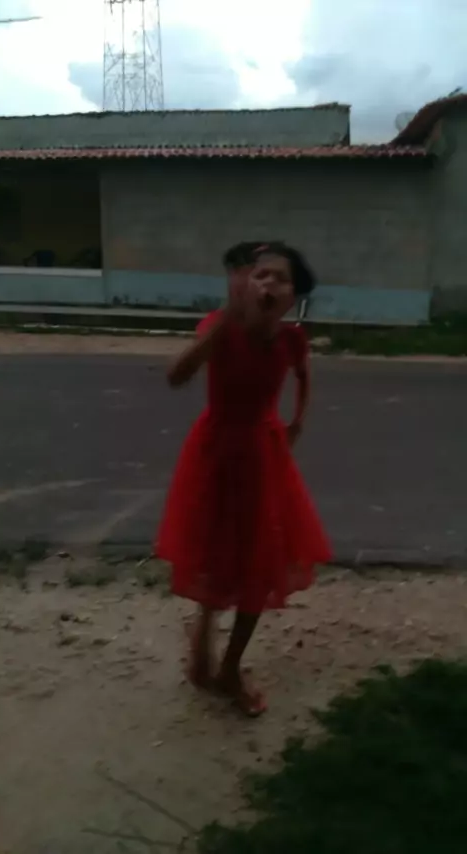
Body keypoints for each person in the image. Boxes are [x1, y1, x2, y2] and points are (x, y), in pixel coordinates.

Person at [156, 240, 331, 716]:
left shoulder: (292, 340)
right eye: (260, 274)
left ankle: (230, 668)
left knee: (262, 557)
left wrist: (297, 422)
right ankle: (203, 635)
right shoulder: (220, 326)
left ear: (293, 295)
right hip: (214, 451)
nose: (268, 283)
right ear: (245, 284)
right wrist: (225, 322)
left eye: (280, 278)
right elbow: (176, 375)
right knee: (215, 549)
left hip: (264, 455)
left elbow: (303, 375)